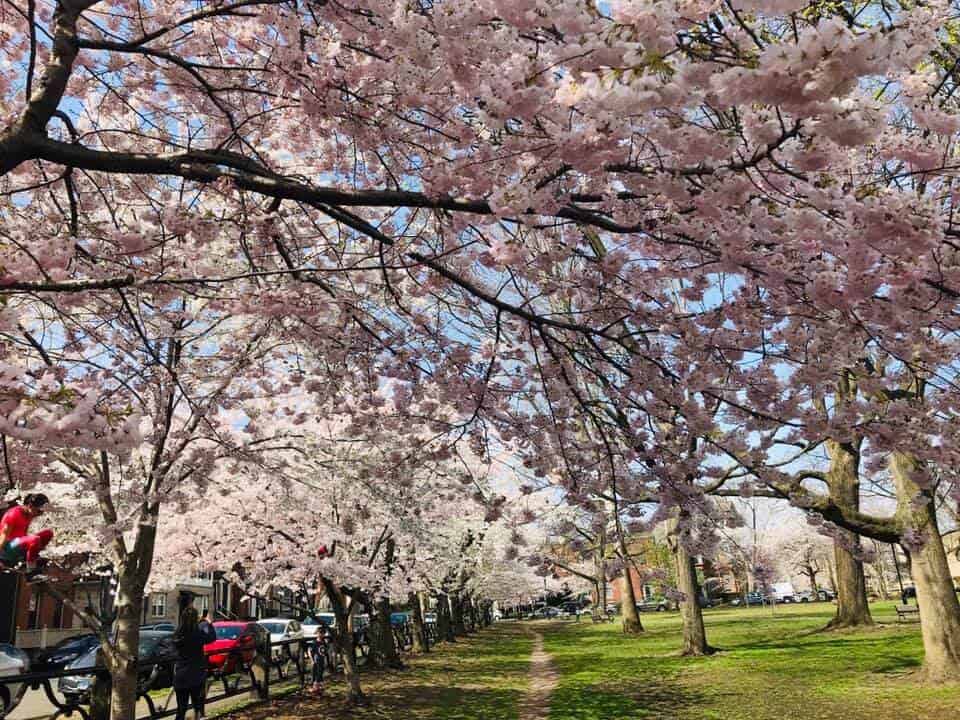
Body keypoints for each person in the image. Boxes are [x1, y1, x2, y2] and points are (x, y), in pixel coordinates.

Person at [172, 606, 216, 720]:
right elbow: (212, 638)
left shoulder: (178, 633)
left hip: (181, 674)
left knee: (181, 708)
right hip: (196, 674)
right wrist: (208, 623)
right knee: (197, 706)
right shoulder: (197, 633)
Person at [0, 494, 54, 578]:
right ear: (30, 506)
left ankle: (29, 560)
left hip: (18, 544)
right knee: (35, 539)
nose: (41, 514)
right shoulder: (13, 514)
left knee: (48, 533)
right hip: (7, 548)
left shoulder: (29, 514)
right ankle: (31, 571)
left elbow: (23, 534)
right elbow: (2, 537)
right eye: (39, 511)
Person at [309, 623, 331, 695]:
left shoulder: (324, 642)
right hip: (316, 660)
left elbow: (325, 651)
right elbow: (309, 651)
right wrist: (312, 660)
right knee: (316, 674)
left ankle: (319, 687)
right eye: (320, 633)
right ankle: (314, 687)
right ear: (317, 633)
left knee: (320, 673)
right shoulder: (315, 642)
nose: (322, 635)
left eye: (323, 633)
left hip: (322, 660)